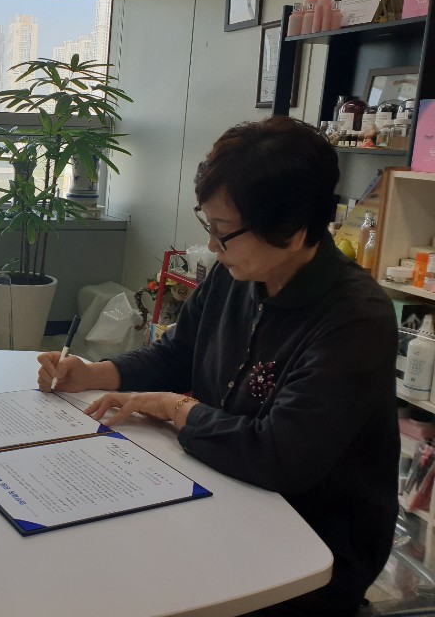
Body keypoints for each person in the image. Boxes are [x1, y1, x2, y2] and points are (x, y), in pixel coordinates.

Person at [38, 116, 398, 616]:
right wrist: (92, 373)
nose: (211, 246)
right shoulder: (238, 273)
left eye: (223, 232)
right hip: (221, 491)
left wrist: (172, 408)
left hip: (312, 544)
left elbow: (280, 455)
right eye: (210, 227)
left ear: (292, 231)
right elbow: (178, 353)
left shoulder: (354, 318)